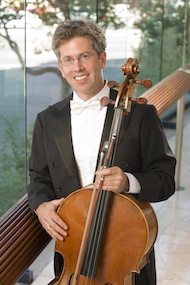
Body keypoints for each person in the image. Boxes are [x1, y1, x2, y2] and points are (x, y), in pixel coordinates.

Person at [27, 19, 176, 285]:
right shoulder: (47, 120)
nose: (78, 68)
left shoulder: (141, 114)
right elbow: (38, 177)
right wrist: (40, 207)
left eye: (85, 56)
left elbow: (165, 180)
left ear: (102, 58)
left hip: (126, 252)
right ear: (61, 68)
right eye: (68, 60)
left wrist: (129, 181)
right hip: (74, 252)